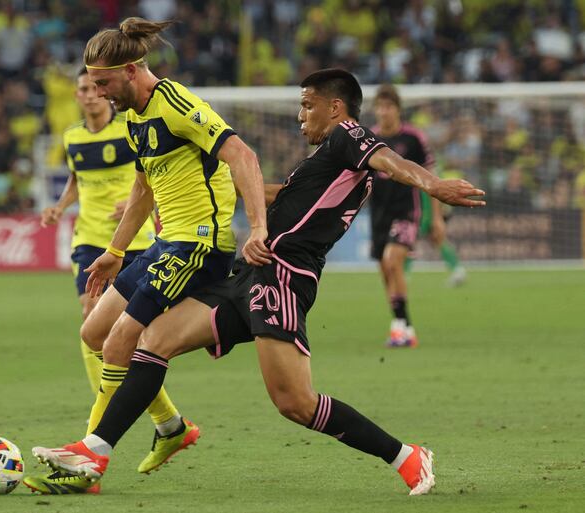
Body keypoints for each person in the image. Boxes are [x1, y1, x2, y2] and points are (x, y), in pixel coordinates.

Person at [29, 68, 485, 496]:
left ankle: (407, 457)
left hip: (282, 278)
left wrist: (432, 184)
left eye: (308, 105)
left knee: (295, 403)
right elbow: (283, 196)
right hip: (248, 274)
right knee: (152, 340)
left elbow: (388, 159)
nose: (300, 114)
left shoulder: (349, 137)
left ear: (336, 108)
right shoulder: (321, 163)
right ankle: (96, 452)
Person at [25, 18, 269, 494]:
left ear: (132, 70)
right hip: (164, 243)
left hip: (198, 244)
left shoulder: (176, 102)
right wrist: (115, 251)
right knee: (93, 331)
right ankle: (171, 428)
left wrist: (257, 227)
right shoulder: (135, 117)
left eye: (104, 83)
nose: (99, 93)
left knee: (122, 339)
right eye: (92, 84)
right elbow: (142, 189)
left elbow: (244, 156)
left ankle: (90, 455)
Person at [26, 67, 157, 495]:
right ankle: (101, 425)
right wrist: (60, 206)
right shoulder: (73, 138)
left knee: (129, 338)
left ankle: (167, 421)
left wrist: (134, 199)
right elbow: (76, 180)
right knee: (93, 324)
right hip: (89, 240)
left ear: (106, 93)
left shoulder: (130, 128)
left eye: (95, 87)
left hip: (135, 240)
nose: (89, 94)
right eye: (82, 89)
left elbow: (153, 172)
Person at [370, 84, 463, 348]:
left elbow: (432, 179)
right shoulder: (369, 140)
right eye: (379, 107)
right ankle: (405, 326)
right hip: (378, 216)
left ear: (398, 110)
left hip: (406, 212)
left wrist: (435, 218)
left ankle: (399, 327)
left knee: (392, 260)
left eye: (388, 106)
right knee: (385, 272)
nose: (383, 112)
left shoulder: (413, 138)